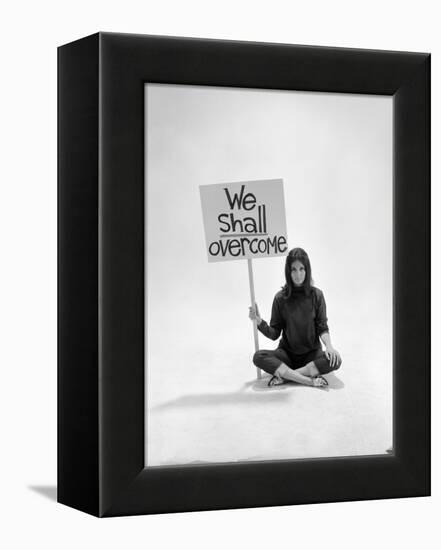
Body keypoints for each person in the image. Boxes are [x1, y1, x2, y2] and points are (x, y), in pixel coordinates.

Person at [249, 247, 342, 387]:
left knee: (336, 359)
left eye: (301, 269)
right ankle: (308, 379)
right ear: (288, 271)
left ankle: (286, 376)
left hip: (312, 355)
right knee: (258, 357)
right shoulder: (280, 298)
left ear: (307, 270)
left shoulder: (317, 295)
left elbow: (322, 326)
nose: (298, 274)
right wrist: (259, 322)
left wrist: (329, 346)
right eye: (293, 269)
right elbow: (274, 333)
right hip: (287, 355)